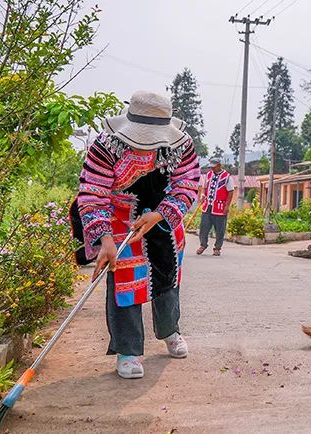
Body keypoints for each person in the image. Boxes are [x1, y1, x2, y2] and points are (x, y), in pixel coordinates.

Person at [73, 90, 200, 379]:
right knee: (125, 286)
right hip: (120, 223)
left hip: (164, 220)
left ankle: (170, 331)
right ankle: (127, 350)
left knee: (167, 277)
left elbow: (188, 185)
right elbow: (93, 193)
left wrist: (159, 215)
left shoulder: (182, 146)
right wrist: (104, 239)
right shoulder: (105, 147)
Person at [197, 160, 234, 256]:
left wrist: (227, 206)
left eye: (214, 167)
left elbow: (230, 192)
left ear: (219, 166)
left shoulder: (227, 177)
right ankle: (203, 244)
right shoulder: (208, 175)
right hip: (207, 206)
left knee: (220, 229)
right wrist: (202, 195)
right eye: (211, 167)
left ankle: (217, 248)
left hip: (220, 207)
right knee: (204, 227)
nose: (212, 168)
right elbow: (205, 188)